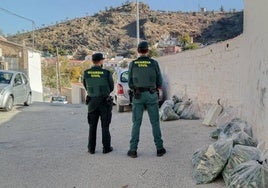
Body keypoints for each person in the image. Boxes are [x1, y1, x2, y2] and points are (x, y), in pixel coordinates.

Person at [127, 41, 166, 158]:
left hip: (138, 96)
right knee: (155, 123)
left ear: (138, 51)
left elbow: (129, 83)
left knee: (136, 123)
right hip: (151, 95)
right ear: (147, 51)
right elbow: (159, 80)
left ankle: (133, 150)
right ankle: (159, 149)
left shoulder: (133, 64)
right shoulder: (154, 63)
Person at [83, 53, 114, 154]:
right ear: (101, 61)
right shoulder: (106, 73)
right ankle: (106, 148)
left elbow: (85, 86)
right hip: (104, 102)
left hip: (92, 102)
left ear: (92, 61)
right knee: (105, 127)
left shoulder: (86, 73)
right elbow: (111, 87)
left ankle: (91, 149)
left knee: (92, 126)